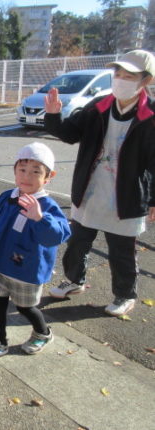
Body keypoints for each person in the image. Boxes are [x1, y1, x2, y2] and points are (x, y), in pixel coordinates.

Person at [44, 49, 155, 317]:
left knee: (121, 252)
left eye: (129, 76)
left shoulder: (151, 116)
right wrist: (54, 116)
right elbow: (70, 134)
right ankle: (74, 281)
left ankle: (125, 295)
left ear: (146, 80)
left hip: (126, 198)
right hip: (90, 191)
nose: (120, 79)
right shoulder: (99, 106)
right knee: (77, 242)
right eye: (118, 73)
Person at [0, 142, 71, 363]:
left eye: (35, 172)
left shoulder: (47, 206)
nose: (26, 176)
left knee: (26, 307)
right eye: (22, 170)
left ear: (49, 176)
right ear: (14, 171)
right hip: (1, 264)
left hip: (27, 269)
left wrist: (40, 218)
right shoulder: (7, 197)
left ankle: (43, 332)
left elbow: (58, 235)